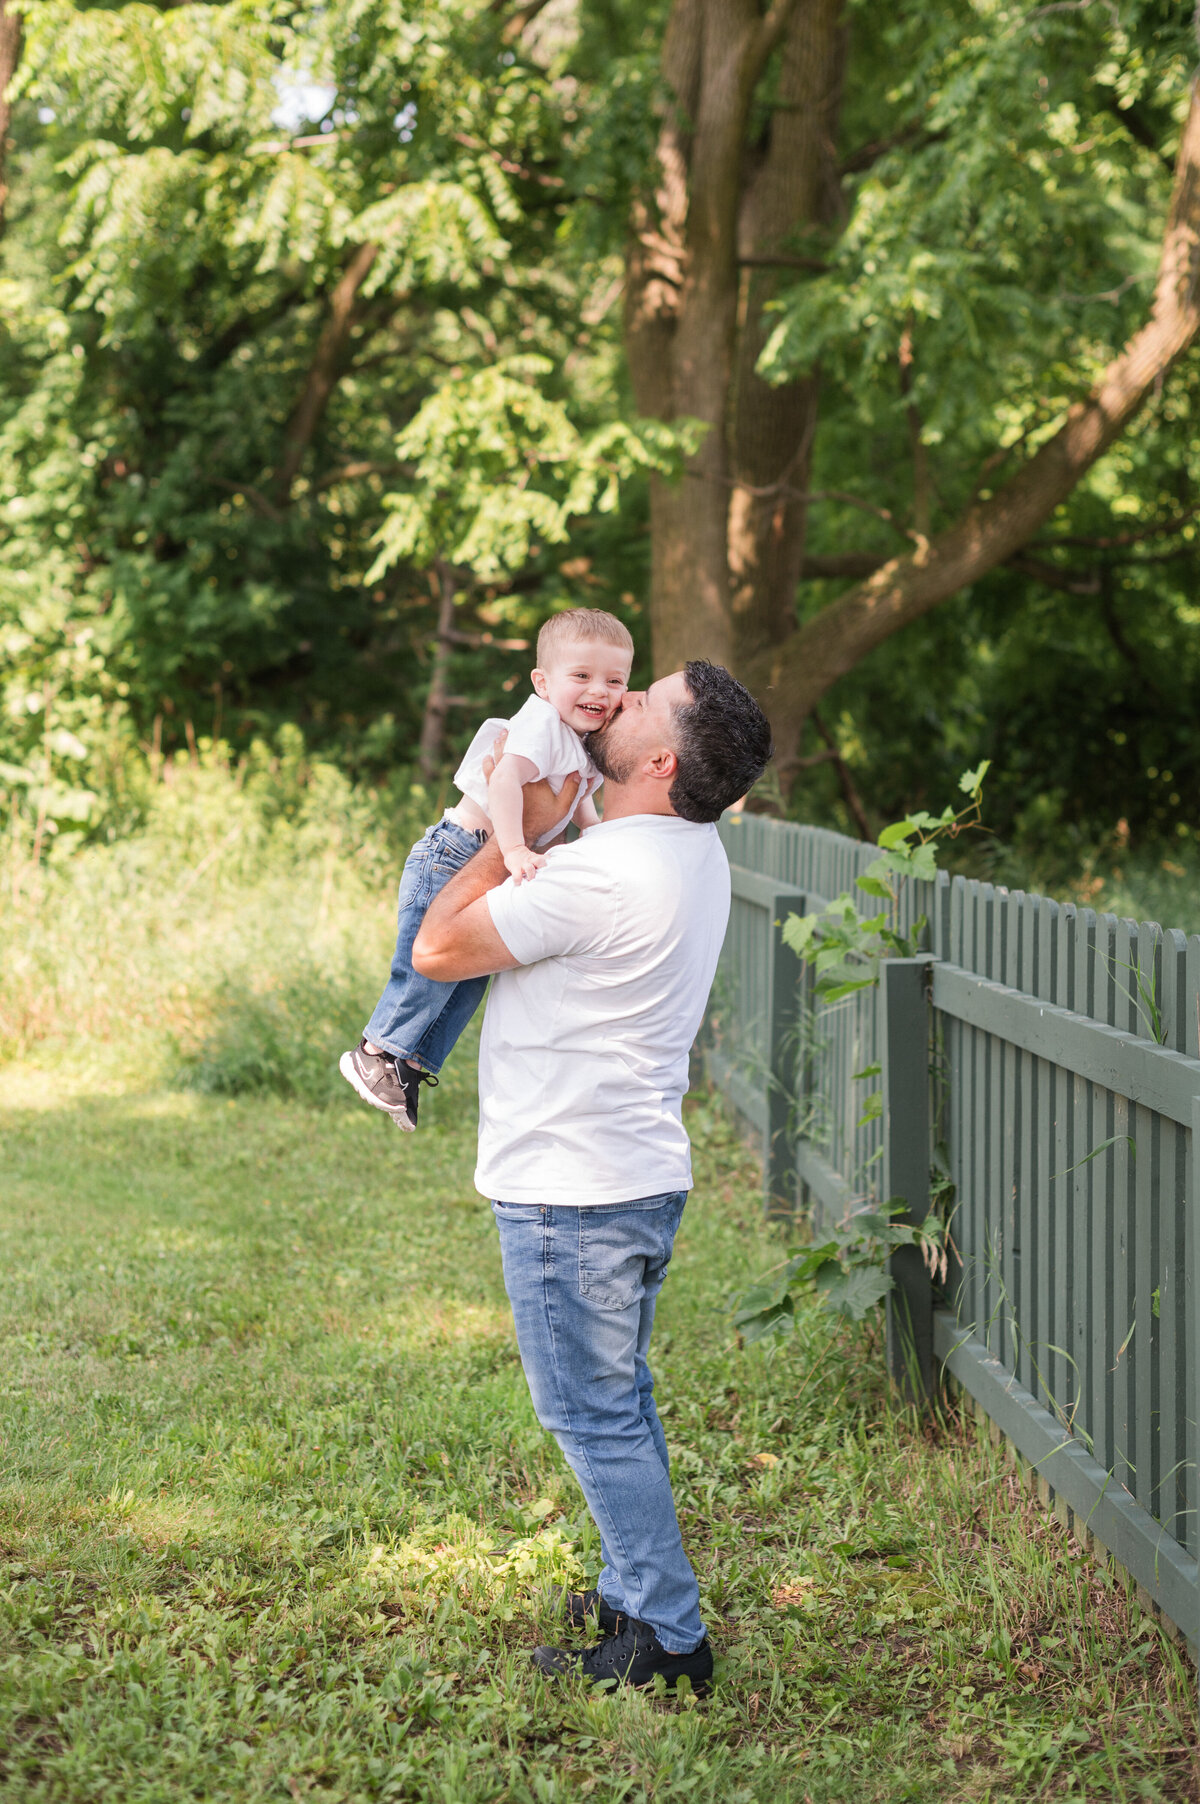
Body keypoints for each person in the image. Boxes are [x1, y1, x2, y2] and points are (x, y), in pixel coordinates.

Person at [412, 660, 773, 1695]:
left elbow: (438, 946)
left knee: (590, 1412)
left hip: (575, 1188)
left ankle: (667, 1641)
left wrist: (496, 824)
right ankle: (632, 1582)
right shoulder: (682, 846)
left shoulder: (600, 874)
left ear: (660, 761)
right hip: (629, 1174)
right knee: (620, 1399)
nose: (613, 701)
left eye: (641, 701)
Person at [339, 609, 633, 1129]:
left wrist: (601, 841)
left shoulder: (585, 743)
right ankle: (375, 1050)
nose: (600, 690)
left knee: (471, 971)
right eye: (582, 676)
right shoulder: (541, 723)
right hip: (457, 851)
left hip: (491, 860)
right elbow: (504, 781)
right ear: (543, 683)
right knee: (428, 965)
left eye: (615, 680)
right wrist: (516, 848)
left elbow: (581, 809)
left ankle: (408, 1066)